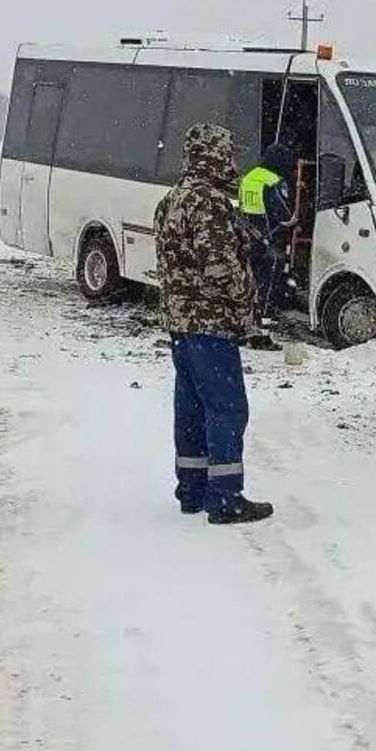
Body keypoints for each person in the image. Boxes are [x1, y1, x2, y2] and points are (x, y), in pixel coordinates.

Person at [154, 122, 274, 525]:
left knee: (190, 407)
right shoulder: (208, 202)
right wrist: (248, 302)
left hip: (181, 322)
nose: (233, 160)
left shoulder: (173, 199)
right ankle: (224, 498)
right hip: (211, 322)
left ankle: (192, 490)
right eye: (228, 153)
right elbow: (220, 265)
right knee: (226, 408)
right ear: (215, 156)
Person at [237, 140, 299, 322]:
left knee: (249, 274)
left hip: (246, 234)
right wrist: (293, 220)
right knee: (271, 272)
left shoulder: (249, 176)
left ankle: (246, 309)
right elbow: (283, 211)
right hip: (268, 235)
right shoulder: (274, 181)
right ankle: (265, 310)